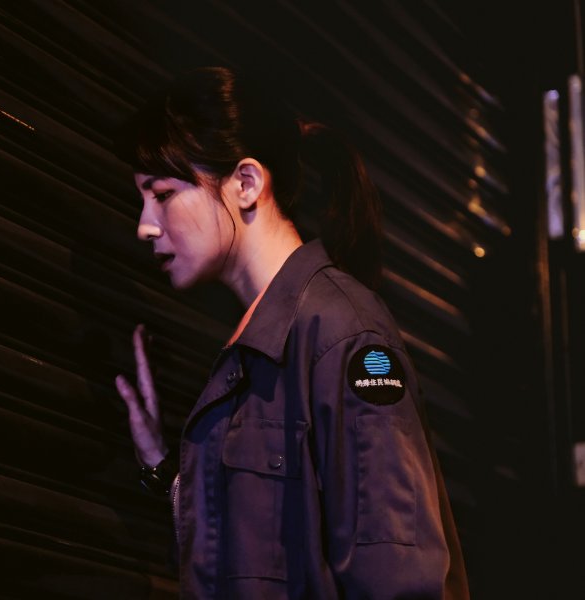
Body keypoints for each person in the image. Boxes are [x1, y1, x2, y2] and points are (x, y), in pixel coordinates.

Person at [112, 67, 469, 599]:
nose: (144, 224)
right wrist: (167, 471)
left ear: (246, 183)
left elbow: (398, 580)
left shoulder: (342, 334)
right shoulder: (258, 344)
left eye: (162, 194)